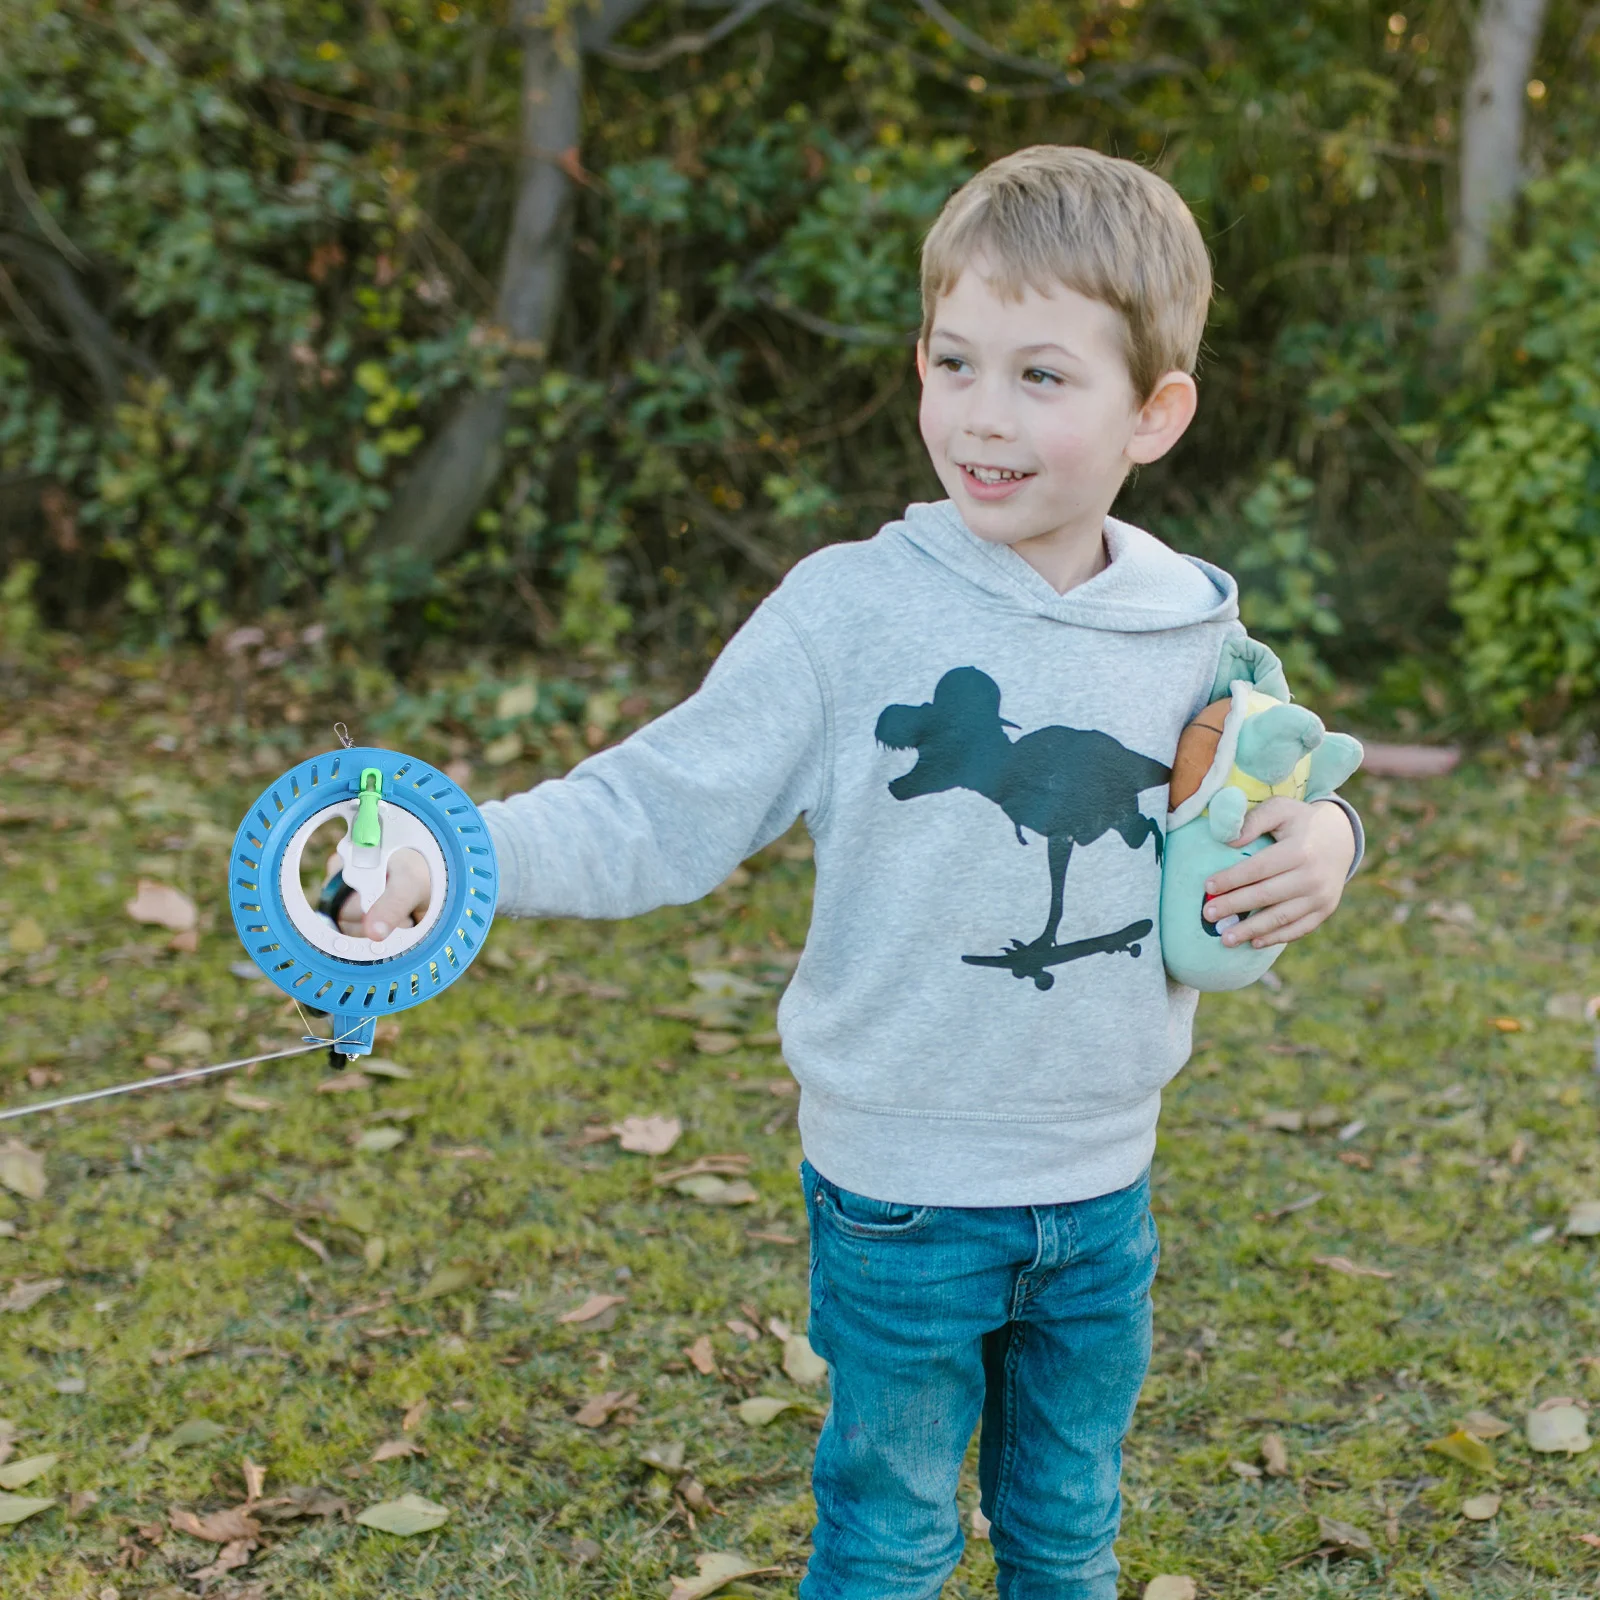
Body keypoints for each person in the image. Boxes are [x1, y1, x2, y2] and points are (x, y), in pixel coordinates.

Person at [338, 145, 1362, 1599]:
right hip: (901, 1196)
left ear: (1156, 412)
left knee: (1070, 1532)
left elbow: (1282, 774)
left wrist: (1327, 841)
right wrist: (464, 851)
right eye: (956, 362)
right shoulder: (849, 612)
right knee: (891, 1533)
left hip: (1105, 1185)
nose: (982, 417)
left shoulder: (1194, 628)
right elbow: (659, 807)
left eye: (1042, 377)